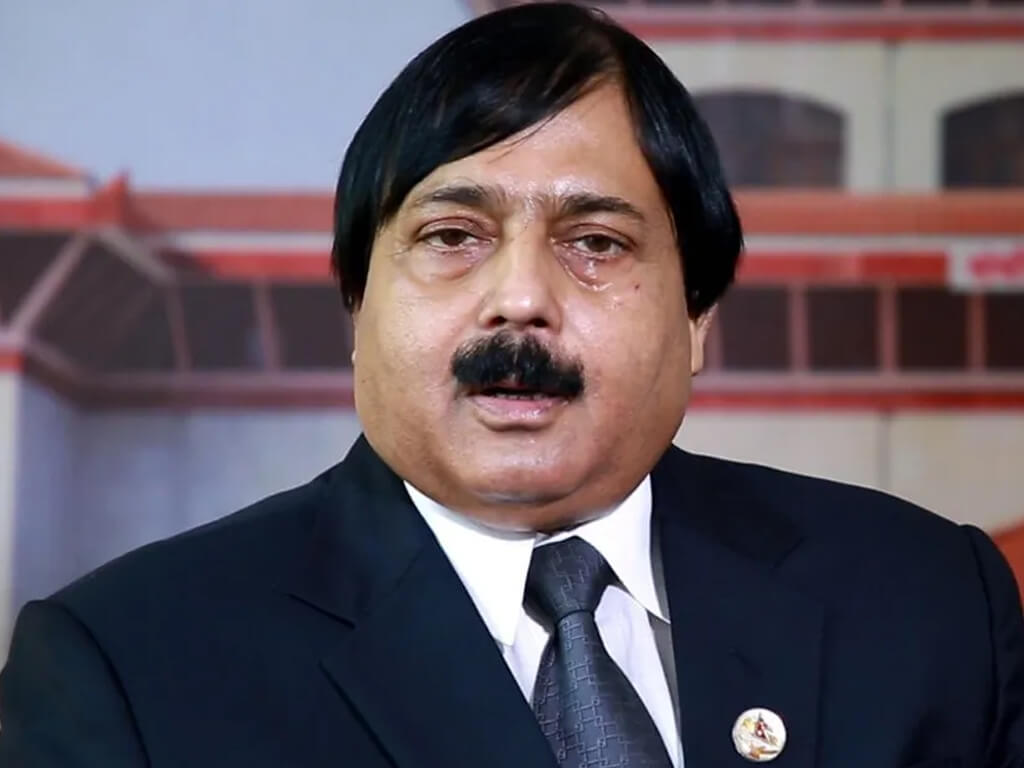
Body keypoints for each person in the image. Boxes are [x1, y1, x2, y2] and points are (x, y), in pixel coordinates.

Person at [1, 3, 1022, 766]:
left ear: (697, 316)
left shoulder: (928, 607)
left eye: (595, 242)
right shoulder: (128, 670)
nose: (520, 300)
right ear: (357, 304)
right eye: (453, 236)